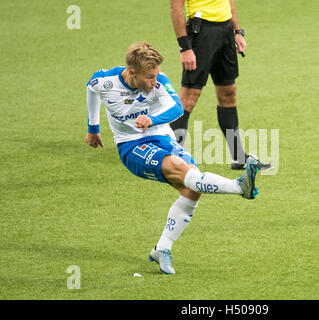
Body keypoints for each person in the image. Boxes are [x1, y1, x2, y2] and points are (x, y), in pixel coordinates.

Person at [85, 42, 260, 275]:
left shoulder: (158, 80)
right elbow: (91, 89)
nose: (154, 81)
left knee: (192, 186)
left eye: (156, 75)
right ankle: (239, 186)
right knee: (182, 171)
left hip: (163, 138)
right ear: (131, 73)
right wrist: (93, 127)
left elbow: (177, 108)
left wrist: (153, 120)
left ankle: (162, 248)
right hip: (131, 146)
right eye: (149, 77)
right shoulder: (105, 81)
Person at [169, 0, 272, 170]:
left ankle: (239, 157)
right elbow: (175, 7)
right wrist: (185, 48)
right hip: (201, 33)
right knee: (189, 98)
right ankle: (172, 158)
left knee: (228, 94)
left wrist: (237, 31)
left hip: (225, 31)